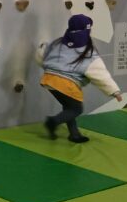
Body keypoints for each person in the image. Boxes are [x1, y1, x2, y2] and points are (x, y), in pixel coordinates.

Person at [36, 14, 122, 143]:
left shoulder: (59, 43)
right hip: (66, 83)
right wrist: (114, 91)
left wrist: (49, 66)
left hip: (48, 79)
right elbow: (100, 74)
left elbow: (42, 55)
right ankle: (53, 122)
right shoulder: (88, 52)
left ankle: (74, 134)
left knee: (68, 107)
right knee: (76, 109)